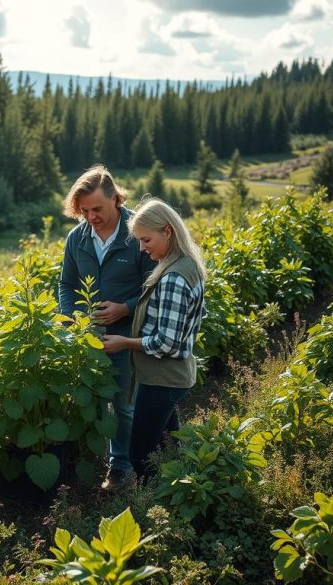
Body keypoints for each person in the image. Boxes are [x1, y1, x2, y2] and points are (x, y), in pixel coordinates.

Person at [59, 165, 155, 490]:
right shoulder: (78, 238)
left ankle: (122, 468)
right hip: (89, 337)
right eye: (84, 210)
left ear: (115, 199)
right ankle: (95, 462)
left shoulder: (137, 233)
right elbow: (67, 285)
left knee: (125, 403)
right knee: (95, 401)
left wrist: (124, 308)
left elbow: (153, 285)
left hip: (128, 333)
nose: (91, 217)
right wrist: (73, 318)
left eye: (97, 209)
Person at [101, 198, 207, 478]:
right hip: (171, 376)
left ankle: (155, 507)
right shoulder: (185, 265)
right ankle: (182, 498)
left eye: (146, 239)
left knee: (141, 455)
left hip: (164, 379)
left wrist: (124, 343)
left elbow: (167, 343)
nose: (142, 248)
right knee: (171, 445)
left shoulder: (173, 277)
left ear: (168, 231)